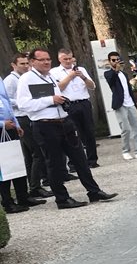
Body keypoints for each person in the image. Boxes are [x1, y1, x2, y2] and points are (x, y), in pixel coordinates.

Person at [16, 48, 117, 209]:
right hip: (45, 125)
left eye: (48, 59)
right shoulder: (27, 79)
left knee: (80, 159)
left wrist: (63, 102)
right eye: (42, 60)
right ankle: (62, 199)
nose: (46, 62)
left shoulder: (50, 76)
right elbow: (23, 104)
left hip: (64, 121)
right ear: (32, 62)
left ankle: (94, 191)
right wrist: (50, 100)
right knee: (55, 163)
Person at [5, 52, 50, 198]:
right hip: (20, 117)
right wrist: (22, 102)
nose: (25, 66)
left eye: (26, 63)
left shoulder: (26, 77)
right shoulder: (10, 81)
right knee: (37, 152)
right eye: (22, 64)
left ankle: (34, 185)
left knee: (31, 154)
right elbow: (6, 99)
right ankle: (35, 186)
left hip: (27, 116)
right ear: (14, 65)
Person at [0, 75, 45, 213]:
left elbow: (7, 102)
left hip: (11, 126)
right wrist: (2, 124)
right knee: (4, 167)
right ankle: (7, 202)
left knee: (16, 163)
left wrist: (16, 124)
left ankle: (23, 196)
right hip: (2, 127)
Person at [50, 49, 99, 168]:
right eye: (65, 59)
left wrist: (83, 78)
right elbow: (58, 88)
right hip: (69, 104)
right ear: (59, 59)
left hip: (83, 102)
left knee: (89, 131)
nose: (68, 61)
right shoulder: (54, 72)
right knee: (71, 133)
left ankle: (92, 159)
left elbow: (92, 86)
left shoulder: (81, 69)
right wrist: (70, 76)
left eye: (70, 58)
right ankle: (74, 163)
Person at [104, 51, 137, 161]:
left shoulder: (123, 74)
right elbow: (111, 82)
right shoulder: (108, 73)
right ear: (109, 61)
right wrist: (116, 70)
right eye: (113, 60)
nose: (116, 62)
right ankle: (126, 151)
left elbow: (128, 89)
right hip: (120, 104)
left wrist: (135, 103)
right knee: (125, 129)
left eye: (117, 59)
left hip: (130, 103)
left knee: (136, 127)